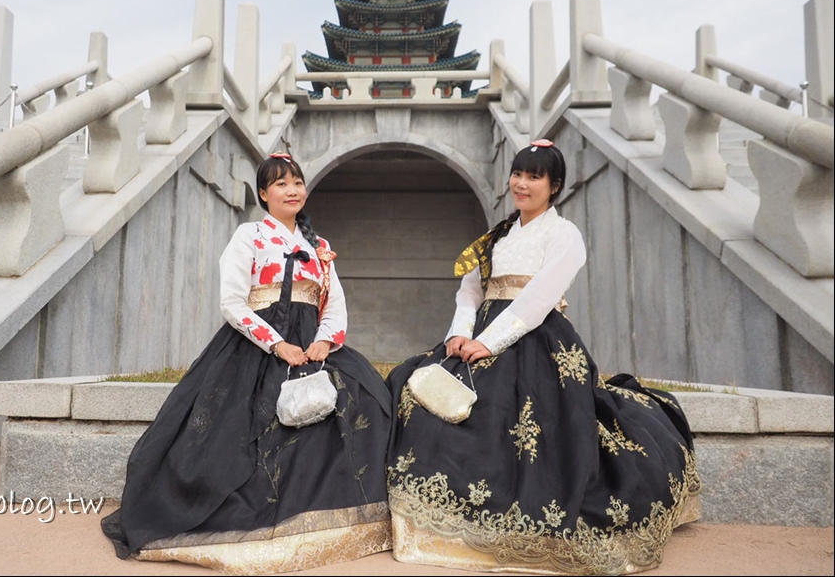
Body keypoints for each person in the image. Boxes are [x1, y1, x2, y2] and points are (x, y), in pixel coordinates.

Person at [384, 140, 701, 575]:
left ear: (554, 186)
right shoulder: (496, 235)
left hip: (535, 340)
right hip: (477, 335)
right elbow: (470, 291)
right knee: (417, 395)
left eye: (534, 176)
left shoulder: (564, 234)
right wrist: (460, 333)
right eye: (518, 173)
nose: (522, 183)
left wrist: (489, 343)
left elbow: (538, 299)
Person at [101, 153, 393, 574]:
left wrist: (325, 341)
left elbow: (334, 305)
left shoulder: (320, 247)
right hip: (256, 349)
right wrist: (277, 345)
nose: (291, 190)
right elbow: (233, 303)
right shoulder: (249, 235)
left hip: (313, 347)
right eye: (280, 184)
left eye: (297, 182)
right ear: (263, 194)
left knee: (368, 399)